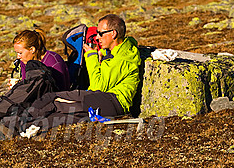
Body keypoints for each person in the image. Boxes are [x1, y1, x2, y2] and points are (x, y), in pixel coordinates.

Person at [10, 14, 141, 135]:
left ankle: (17, 122)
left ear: (113, 34)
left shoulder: (122, 58)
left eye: (100, 33)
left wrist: (90, 56)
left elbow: (98, 86)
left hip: (113, 101)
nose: (97, 37)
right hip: (108, 101)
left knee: (53, 100)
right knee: (61, 114)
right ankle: (27, 126)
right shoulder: (116, 52)